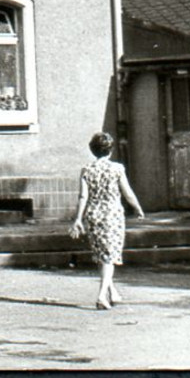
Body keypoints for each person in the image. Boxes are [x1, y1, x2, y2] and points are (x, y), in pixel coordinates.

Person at [70, 130, 145, 309]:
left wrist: (78, 219)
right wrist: (138, 208)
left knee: (102, 254)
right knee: (109, 257)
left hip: (93, 215)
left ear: (92, 150)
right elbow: (127, 193)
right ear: (110, 150)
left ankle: (113, 292)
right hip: (112, 216)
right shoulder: (117, 169)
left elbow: (83, 197)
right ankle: (102, 295)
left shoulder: (87, 170)